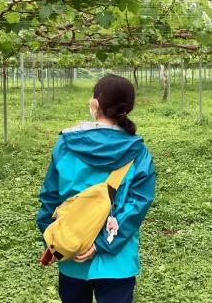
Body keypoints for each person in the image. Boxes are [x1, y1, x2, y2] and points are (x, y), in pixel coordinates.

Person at [37, 74, 156, 303]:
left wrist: (51, 240)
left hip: (71, 251)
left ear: (95, 104)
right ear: (127, 109)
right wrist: (103, 243)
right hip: (117, 258)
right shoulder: (138, 152)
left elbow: (50, 197)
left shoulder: (66, 144)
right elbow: (139, 202)